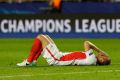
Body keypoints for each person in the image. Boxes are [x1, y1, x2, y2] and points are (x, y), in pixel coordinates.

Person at [17, 34, 111, 67]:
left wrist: (99, 50)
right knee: (46, 36)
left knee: (40, 37)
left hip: (57, 59)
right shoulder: (92, 59)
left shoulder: (92, 59)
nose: (102, 54)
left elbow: (86, 43)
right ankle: (33, 61)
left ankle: (28, 62)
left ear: (102, 60)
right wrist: (99, 52)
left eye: (104, 56)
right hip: (59, 56)